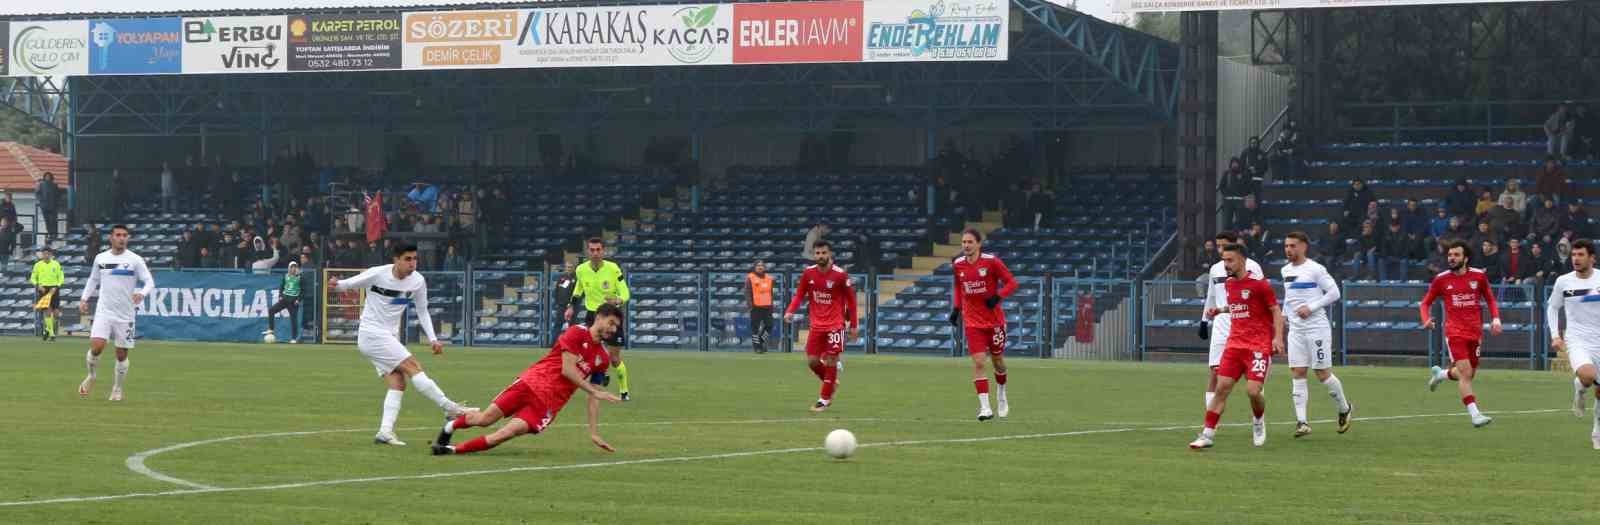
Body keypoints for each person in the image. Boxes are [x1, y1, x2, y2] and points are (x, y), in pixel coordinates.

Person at [431, 303, 624, 456]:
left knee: (505, 434)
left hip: (548, 403)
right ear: (598, 317)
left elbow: (595, 397)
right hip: (530, 382)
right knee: (484, 419)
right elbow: (568, 370)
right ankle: (450, 426)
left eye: (616, 326)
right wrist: (593, 390)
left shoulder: (603, 359)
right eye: (611, 323)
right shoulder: (576, 332)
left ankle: (451, 450)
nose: (613, 329)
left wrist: (593, 432)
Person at [329, 243, 473, 446]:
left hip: (388, 337)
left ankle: (385, 432)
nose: (412, 264)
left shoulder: (418, 281)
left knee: (398, 382)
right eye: (407, 259)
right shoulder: (377, 274)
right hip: (372, 334)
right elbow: (346, 284)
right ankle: (448, 407)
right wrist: (336, 283)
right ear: (396, 260)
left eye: (415, 259)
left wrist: (432, 338)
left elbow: (422, 311)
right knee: (414, 367)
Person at [1189, 243, 1283, 450]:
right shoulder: (1230, 284)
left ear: (1242, 260)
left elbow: (1276, 310)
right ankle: (1207, 434)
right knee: (1221, 388)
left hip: (1258, 346)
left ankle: (1258, 419)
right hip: (1235, 344)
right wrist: (1220, 310)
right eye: (1224, 260)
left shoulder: (1260, 285)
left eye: (1230, 260)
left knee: (1253, 391)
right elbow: (1238, 306)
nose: (1226, 264)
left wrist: (1278, 339)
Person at [1421, 240, 1503, 428]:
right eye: (1450, 255)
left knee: (1468, 374)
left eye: (1456, 255)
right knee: (1466, 373)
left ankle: (1441, 374)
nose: (1452, 258)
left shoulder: (1479, 277)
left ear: (1465, 258)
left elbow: (1490, 298)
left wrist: (1496, 319)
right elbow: (1425, 303)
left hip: (1475, 332)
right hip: (1454, 332)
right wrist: (1425, 319)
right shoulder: (1441, 279)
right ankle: (1475, 415)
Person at [1280, 232, 1353, 437]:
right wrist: (1285, 317)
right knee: (1297, 372)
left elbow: (1334, 293)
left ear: (1304, 246)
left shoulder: (1316, 269)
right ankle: (1302, 422)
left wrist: (1311, 307)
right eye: (1286, 246)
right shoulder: (1285, 270)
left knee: (1322, 374)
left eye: (1293, 246)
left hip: (1316, 328)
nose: (1288, 250)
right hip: (1296, 330)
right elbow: (1289, 297)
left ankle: (1344, 408)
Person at [77, 225, 154, 402]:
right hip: (104, 310)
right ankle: (92, 376)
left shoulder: (135, 260)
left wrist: (141, 293)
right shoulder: (101, 258)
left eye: (125, 235)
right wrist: (84, 299)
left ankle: (117, 388)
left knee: (121, 354)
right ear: (111, 238)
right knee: (96, 347)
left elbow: (149, 281)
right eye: (118, 235)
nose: (122, 238)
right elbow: (93, 279)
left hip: (125, 314)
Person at [949, 230, 1018, 421]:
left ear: (979, 244)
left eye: (970, 242)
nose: (966, 245)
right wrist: (956, 309)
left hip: (995, 322)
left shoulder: (992, 261)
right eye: (963, 242)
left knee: (998, 361)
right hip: (972, 322)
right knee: (979, 362)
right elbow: (957, 286)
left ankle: (1002, 392)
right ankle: (985, 408)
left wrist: (998, 297)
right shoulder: (958, 264)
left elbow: (1012, 283)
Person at [784, 240, 858, 413]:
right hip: (816, 325)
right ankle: (831, 382)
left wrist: (854, 325)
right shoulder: (808, 273)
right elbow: (800, 294)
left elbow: (852, 302)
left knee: (832, 359)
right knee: (812, 361)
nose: (821, 256)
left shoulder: (840, 275)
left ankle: (824, 399)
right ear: (814, 254)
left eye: (824, 253)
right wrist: (790, 311)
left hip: (835, 325)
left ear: (830, 254)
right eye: (817, 253)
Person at [1199, 231, 1264, 411]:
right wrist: (1204, 321)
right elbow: (1211, 296)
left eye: (1223, 246)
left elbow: (1261, 296)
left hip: (1245, 323)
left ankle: (1258, 416)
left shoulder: (1253, 267)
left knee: (1251, 378)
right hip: (1221, 323)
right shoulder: (1215, 269)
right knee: (1215, 372)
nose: (1220, 250)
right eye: (1218, 246)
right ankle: (1210, 420)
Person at [564, 238, 633, 401]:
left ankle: (624, 390)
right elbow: (578, 288)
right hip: (592, 316)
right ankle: (597, 378)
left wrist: (618, 300)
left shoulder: (613, 269)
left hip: (611, 317)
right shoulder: (581, 269)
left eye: (598, 250)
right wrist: (571, 306)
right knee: (585, 353)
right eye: (592, 250)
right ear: (588, 251)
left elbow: (625, 293)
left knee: (615, 358)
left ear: (603, 251)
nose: (595, 253)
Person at [1547, 239, 1600, 449]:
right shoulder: (1564, 281)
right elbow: (1552, 308)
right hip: (1578, 339)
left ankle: (1597, 428)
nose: (1576, 259)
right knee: (1588, 375)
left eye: (1580, 255)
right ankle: (1580, 387)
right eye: (1574, 255)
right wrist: (1555, 335)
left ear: (1592, 258)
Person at [266, 261, 305, 343]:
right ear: (289, 268)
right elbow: (281, 287)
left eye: (295, 267)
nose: (293, 269)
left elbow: (303, 291)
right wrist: (280, 295)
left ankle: (294, 338)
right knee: (271, 310)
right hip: (285, 299)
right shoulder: (286, 276)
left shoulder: (300, 278)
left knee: (294, 320)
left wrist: (298, 299)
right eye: (292, 267)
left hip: (294, 301)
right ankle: (271, 329)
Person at [31, 247, 64, 341]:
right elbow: (33, 278)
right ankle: (52, 334)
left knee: (56, 313)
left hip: (54, 289)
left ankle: (47, 330)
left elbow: (61, 277)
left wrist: (57, 286)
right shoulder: (37, 265)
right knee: (48, 312)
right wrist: (38, 285)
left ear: (50, 254)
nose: (45, 255)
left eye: (47, 253)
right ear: (42, 254)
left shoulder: (56, 264)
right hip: (43, 289)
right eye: (44, 253)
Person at [744, 260, 775, 354]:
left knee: (770, 325)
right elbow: (747, 292)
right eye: (758, 265)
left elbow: (771, 293)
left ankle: (761, 342)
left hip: (767, 306)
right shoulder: (750, 277)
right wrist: (750, 305)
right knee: (755, 328)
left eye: (762, 265)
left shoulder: (769, 278)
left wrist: (772, 305)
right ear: (754, 267)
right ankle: (757, 347)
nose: (760, 267)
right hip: (755, 306)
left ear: (764, 267)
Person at [36, 172, 60, 240]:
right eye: (46, 176)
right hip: (44, 206)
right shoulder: (41, 185)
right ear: (44, 177)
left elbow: (58, 195)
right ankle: (50, 233)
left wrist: (56, 203)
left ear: (51, 177)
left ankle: (54, 234)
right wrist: (41, 202)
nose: (48, 177)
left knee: (53, 220)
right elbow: (37, 193)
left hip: (53, 206)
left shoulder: (54, 185)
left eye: (49, 176)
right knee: (47, 221)